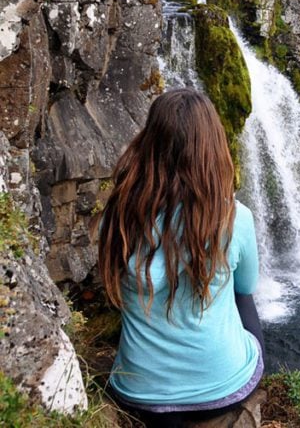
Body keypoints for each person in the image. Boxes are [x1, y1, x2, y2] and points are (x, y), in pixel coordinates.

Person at [97, 88, 263, 427]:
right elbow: (245, 288)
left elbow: (114, 290)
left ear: (149, 143)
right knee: (241, 296)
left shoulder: (118, 215)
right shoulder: (235, 217)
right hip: (221, 391)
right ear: (213, 148)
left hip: (139, 391)